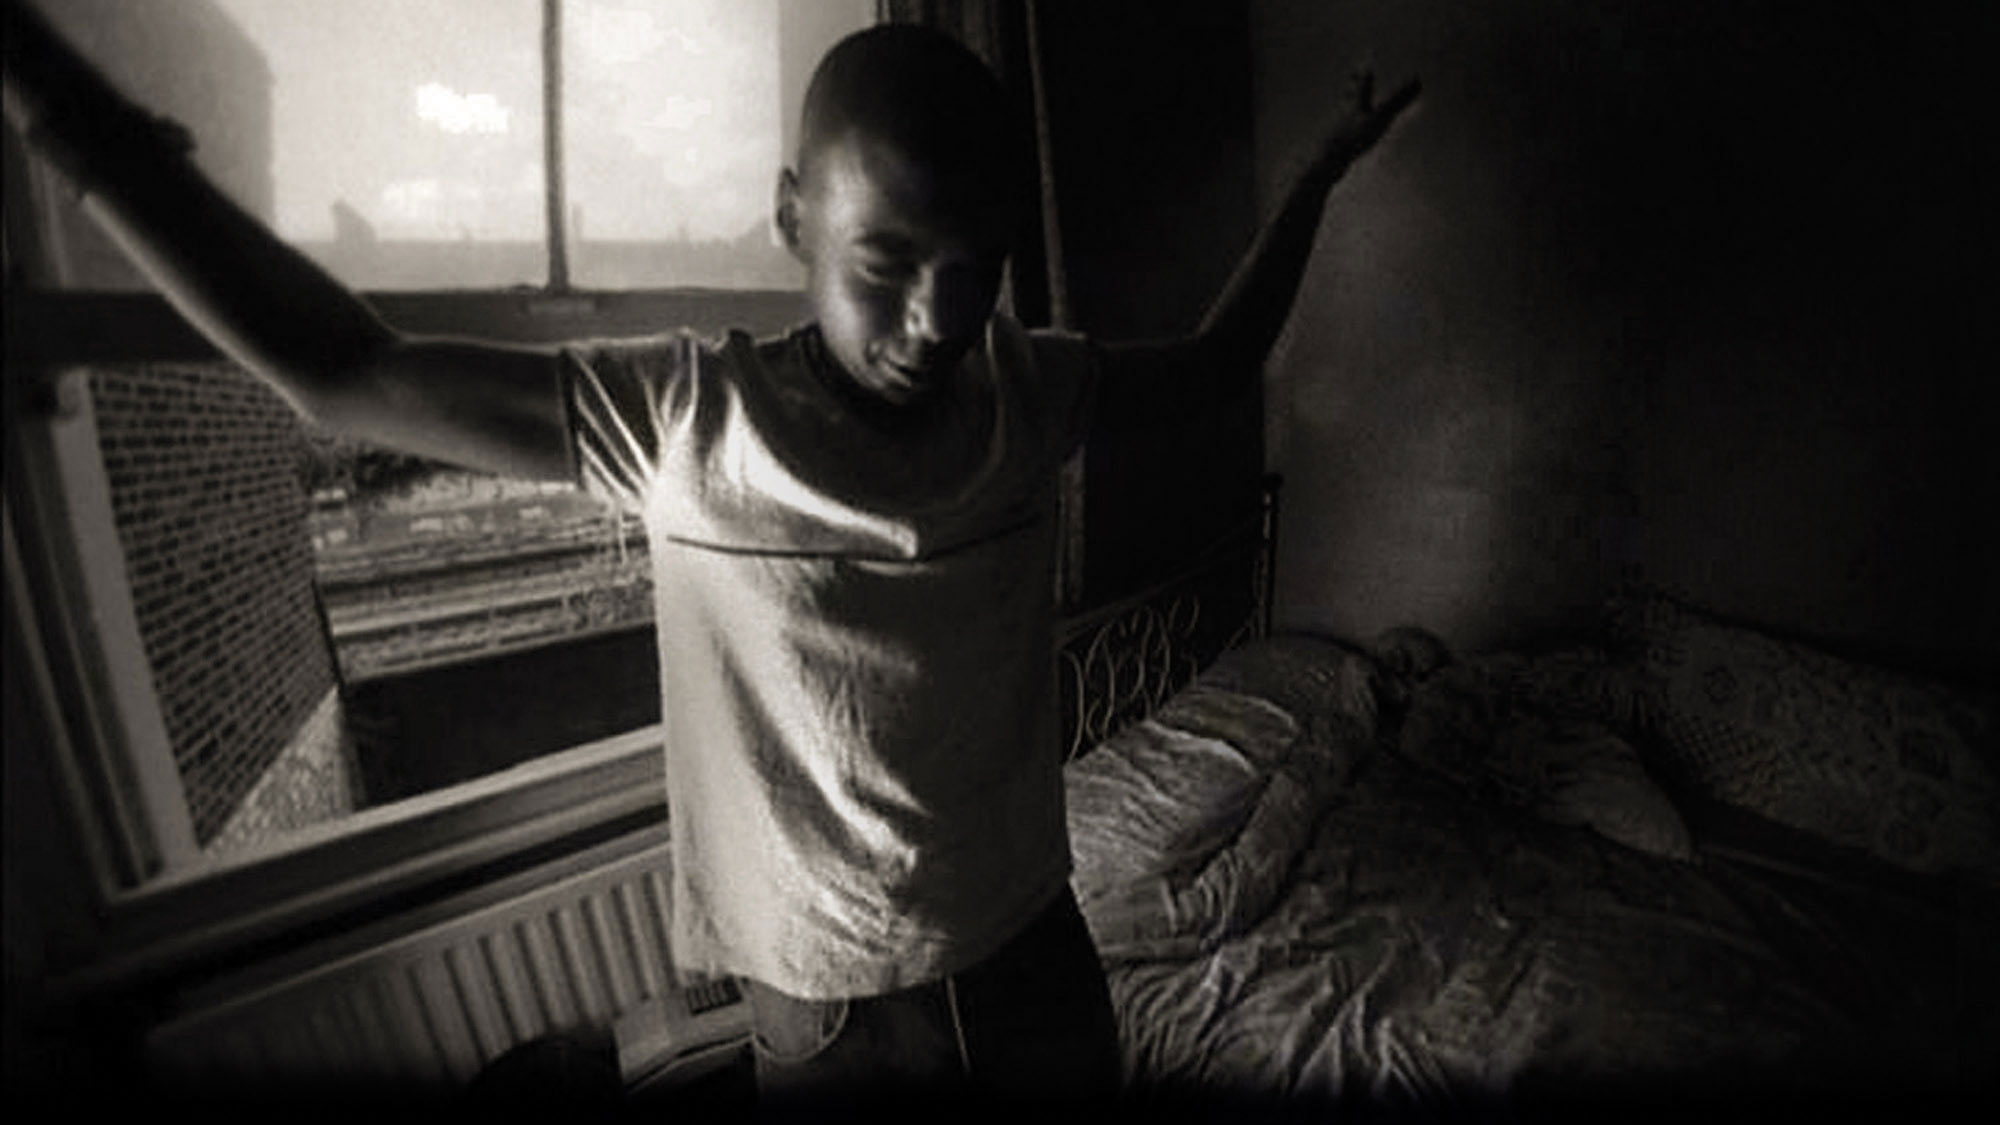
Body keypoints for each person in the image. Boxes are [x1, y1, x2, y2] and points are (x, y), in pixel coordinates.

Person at [3, 3, 1416, 1112]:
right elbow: (345, 368)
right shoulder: (692, 418)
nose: (935, 315)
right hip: (829, 1001)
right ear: (795, 215)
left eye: (974, 266)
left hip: (1029, 949)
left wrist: (1313, 176)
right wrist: (80, 128)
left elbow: (1225, 359)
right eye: (889, 258)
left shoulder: (1026, 390)